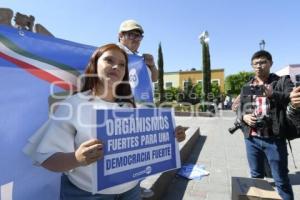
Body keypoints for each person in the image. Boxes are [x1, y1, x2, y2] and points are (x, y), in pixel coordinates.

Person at [24, 43, 186, 200]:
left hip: (132, 191)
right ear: (94, 65)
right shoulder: (74, 104)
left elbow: (148, 142)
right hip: (86, 194)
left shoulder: (133, 106)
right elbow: (46, 158)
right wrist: (76, 159)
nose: (116, 67)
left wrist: (171, 136)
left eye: (122, 64)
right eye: (109, 60)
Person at [237, 50, 294, 200]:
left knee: (281, 180)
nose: (259, 66)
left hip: (275, 139)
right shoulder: (247, 86)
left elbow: (291, 99)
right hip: (252, 139)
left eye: (263, 62)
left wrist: (272, 94)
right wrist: (244, 116)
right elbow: (240, 108)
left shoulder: (282, 81)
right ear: (252, 66)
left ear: (271, 63)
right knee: (256, 178)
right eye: (255, 63)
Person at [118, 19, 158, 87]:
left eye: (138, 36)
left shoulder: (141, 58)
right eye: (132, 35)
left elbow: (154, 79)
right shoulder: (112, 53)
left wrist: (152, 66)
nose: (136, 39)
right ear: (121, 36)